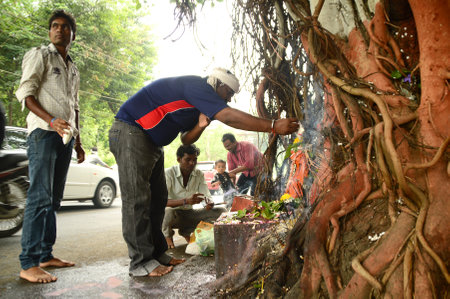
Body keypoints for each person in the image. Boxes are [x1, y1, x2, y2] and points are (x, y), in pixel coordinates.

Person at [109, 67, 299, 277]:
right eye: (228, 93)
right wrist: (273, 125)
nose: (228, 99)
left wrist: (200, 126)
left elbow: (185, 139)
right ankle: (140, 263)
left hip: (153, 143)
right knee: (137, 200)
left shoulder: (199, 102)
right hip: (131, 131)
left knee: (157, 199)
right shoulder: (197, 86)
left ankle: (158, 253)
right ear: (218, 84)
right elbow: (228, 116)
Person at [15, 9, 84, 283]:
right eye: (55, 26)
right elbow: (26, 93)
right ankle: (28, 263)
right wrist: (51, 120)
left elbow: (75, 107)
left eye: (65, 27)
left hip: (65, 138)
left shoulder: (73, 67)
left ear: (72, 35)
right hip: (43, 134)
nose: (59, 30)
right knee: (39, 198)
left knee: (53, 200)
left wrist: (79, 142)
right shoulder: (40, 55)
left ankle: (45, 254)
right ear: (50, 32)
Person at [163, 144, 226, 248]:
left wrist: (209, 202)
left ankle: (186, 231)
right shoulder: (168, 173)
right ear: (179, 159)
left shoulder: (199, 174)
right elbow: (161, 202)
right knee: (167, 211)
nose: (192, 163)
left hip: (188, 213)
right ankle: (167, 237)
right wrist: (186, 201)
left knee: (221, 211)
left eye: (194, 160)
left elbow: (206, 195)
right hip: (173, 215)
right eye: (188, 160)